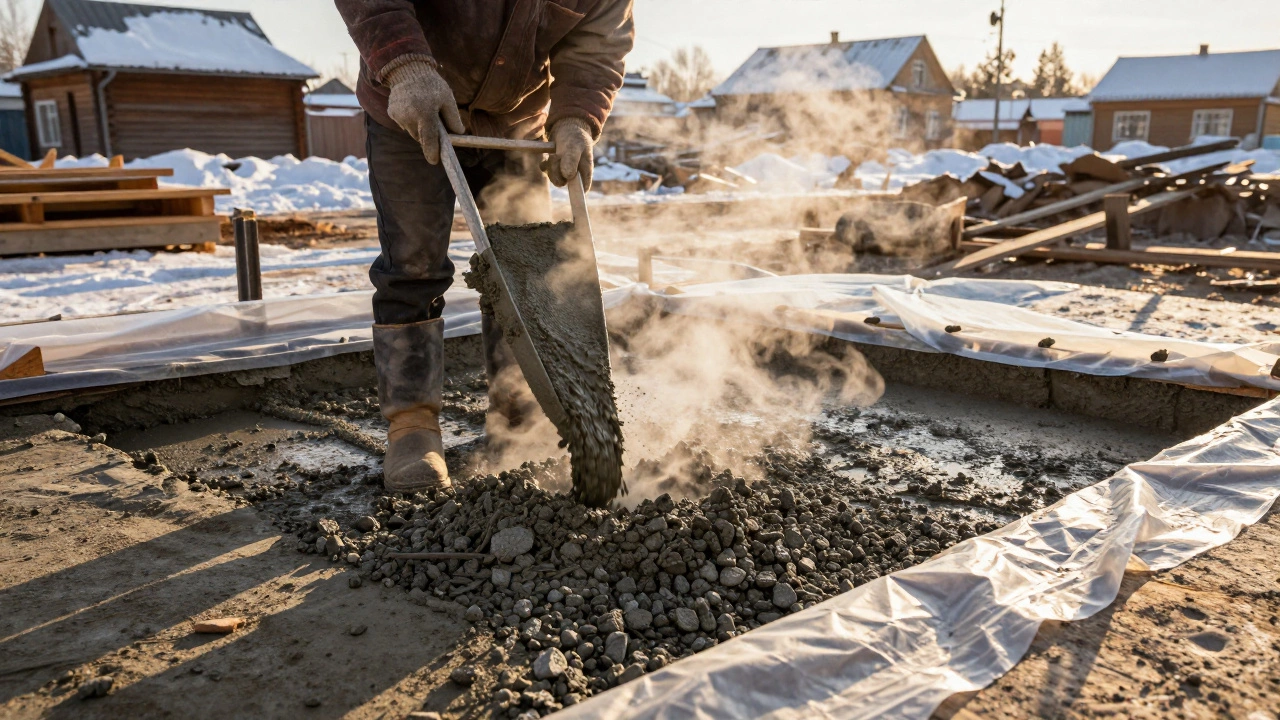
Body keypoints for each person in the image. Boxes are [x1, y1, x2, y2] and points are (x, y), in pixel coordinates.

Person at [335, 1, 635, 493]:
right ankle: (412, 426)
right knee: (412, 265)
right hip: (413, 102)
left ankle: (521, 412)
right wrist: (405, 65)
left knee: (529, 267)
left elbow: (599, 40)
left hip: (516, 121)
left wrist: (576, 117)